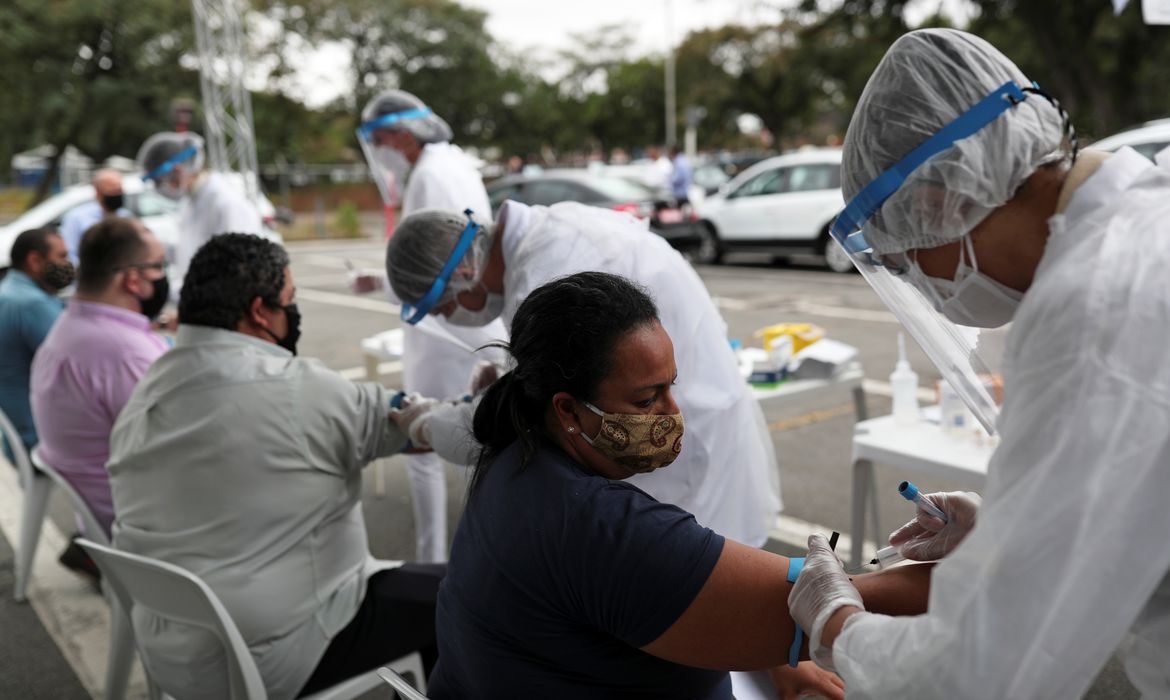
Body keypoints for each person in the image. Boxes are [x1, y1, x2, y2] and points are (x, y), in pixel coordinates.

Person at [787, 28, 1170, 698]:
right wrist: (1014, 525)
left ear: (941, 200)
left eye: (906, 258)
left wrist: (835, 622)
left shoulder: (1094, 310)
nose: (920, 284)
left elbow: (980, 672)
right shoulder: (1146, 219)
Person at [427, 271, 934, 699]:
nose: (673, 413)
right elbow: (836, 605)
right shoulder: (596, 526)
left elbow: (728, 609)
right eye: (647, 400)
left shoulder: (515, 457)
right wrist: (989, 556)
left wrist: (765, 646)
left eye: (672, 386)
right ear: (567, 409)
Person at [107, 234, 442, 700]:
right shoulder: (299, 389)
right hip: (283, 651)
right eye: (291, 300)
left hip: (175, 657)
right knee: (468, 594)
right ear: (261, 312)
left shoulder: (143, 394)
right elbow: (421, 427)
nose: (295, 312)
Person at [385, 202, 779, 547]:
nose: (447, 317)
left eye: (441, 308)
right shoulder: (551, 231)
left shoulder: (551, 268)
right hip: (693, 419)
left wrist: (427, 426)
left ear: (462, 273)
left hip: (680, 454)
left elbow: (517, 421)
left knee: (693, 585)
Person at [354, 89, 508, 563]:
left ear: (401, 135)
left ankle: (434, 558)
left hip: (448, 334)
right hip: (464, 324)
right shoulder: (453, 163)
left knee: (426, 434)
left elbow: (439, 258)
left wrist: (390, 283)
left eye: (380, 139)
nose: (380, 151)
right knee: (475, 435)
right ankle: (479, 549)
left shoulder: (431, 174)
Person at [31, 217, 170, 539]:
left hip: (97, 513)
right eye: (159, 266)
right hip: (137, 526)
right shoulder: (124, 353)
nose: (163, 277)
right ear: (133, 280)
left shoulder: (71, 325)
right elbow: (180, 448)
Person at [136, 131, 263, 298]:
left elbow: (238, 270)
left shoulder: (226, 203)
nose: (158, 187)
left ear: (177, 171)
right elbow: (190, 251)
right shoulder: (192, 201)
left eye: (158, 181)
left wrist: (174, 292)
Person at [0, 228, 70, 455]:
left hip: (20, 437)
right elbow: (76, 361)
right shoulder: (30, 303)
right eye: (62, 256)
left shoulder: (10, 291)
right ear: (35, 261)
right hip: (41, 440)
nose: (69, 264)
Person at [59, 169, 132, 264]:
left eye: (119, 191)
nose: (117, 195)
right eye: (112, 191)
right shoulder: (77, 218)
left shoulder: (126, 216)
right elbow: (70, 254)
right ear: (98, 191)